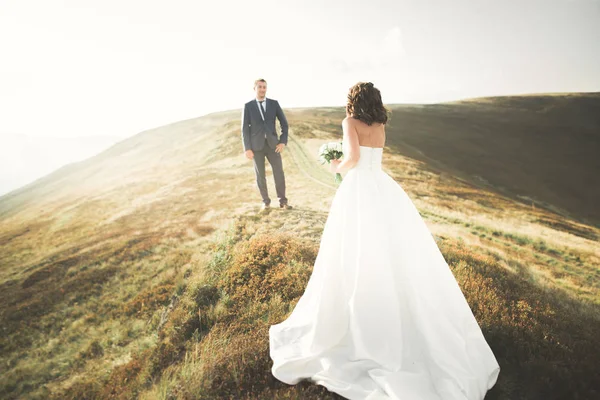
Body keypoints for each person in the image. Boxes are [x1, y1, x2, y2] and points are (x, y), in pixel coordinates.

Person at [269, 82, 500, 399]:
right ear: (376, 101)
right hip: (382, 187)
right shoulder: (380, 124)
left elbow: (352, 158)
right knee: (391, 251)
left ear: (352, 101)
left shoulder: (349, 122)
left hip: (359, 189)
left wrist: (336, 165)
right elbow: (371, 155)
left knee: (353, 251)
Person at [241, 78, 292, 210]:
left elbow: (284, 124)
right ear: (255, 89)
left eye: (264, 87)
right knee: (260, 176)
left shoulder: (274, 104)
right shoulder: (248, 106)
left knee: (279, 173)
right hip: (256, 147)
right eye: (260, 87)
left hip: (273, 145)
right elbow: (245, 129)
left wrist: (282, 142)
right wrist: (247, 148)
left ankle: (283, 201)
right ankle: (266, 201)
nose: (262, 89)